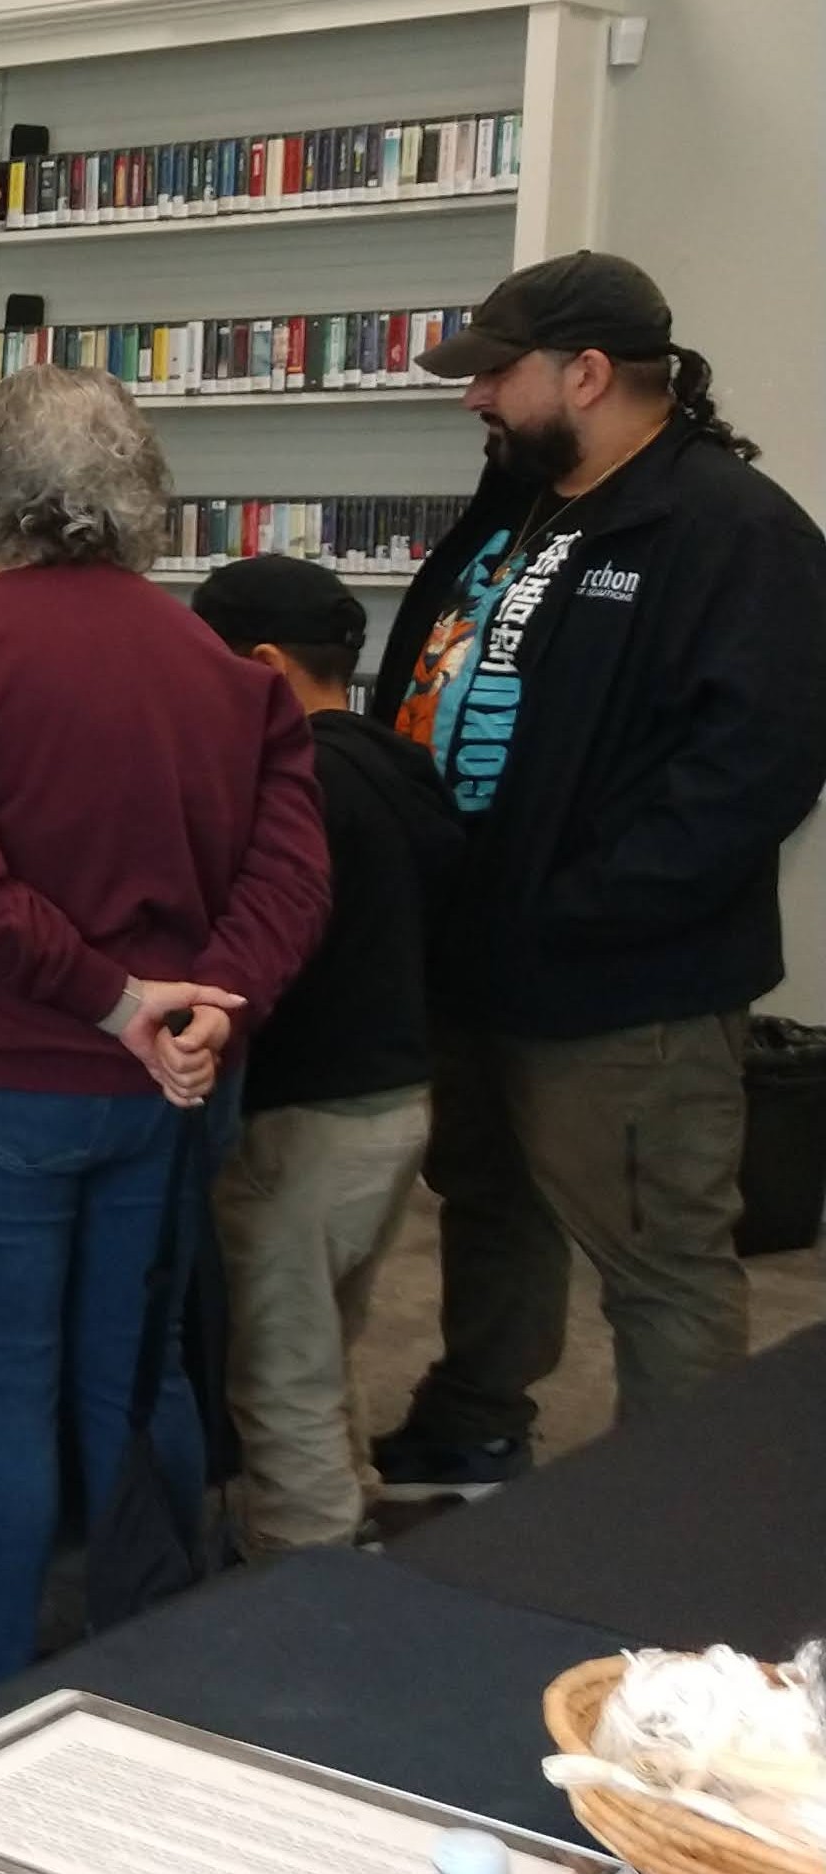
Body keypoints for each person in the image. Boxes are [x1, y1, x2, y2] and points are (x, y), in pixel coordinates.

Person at [0, 365, 330, 1738]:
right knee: (142, 1365)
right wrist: (212, 1004)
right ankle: (151, 1649)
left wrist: (111, 1000)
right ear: (139, 498)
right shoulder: (230, 675)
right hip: (173, 1087)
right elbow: (291, 878)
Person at [366, 251, 826, 1498]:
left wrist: (581, 909)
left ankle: (682, 1514)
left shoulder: (735, 530)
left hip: (625, 989)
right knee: (488, 1202)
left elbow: (755, 770)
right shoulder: (523, 499)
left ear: (585, 372)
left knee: (659, 1257)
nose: (473, 396)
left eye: (493, 373)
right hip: (475, 955)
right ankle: (474, 1423)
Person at [190, 555, 462, 1556]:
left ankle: (301, 1572)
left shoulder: (289, 783)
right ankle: (351, 1508)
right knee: (327, 1332)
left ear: (262, 666)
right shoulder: (396, 766)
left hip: (301, 1114)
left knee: (278, 1365)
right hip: (394, 1098)